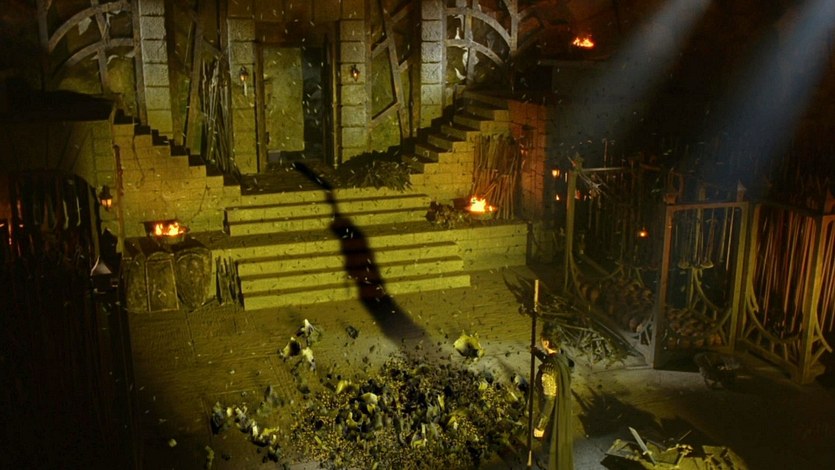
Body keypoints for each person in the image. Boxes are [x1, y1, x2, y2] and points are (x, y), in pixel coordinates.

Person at [532, 321, 574, 469]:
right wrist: (538, 353)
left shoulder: (548, 371)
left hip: (553, 416)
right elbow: (552, 361)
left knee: (550, 446)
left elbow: (549, 400)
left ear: (546, 342)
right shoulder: (563, 358)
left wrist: (540, 426)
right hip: (563, 410)